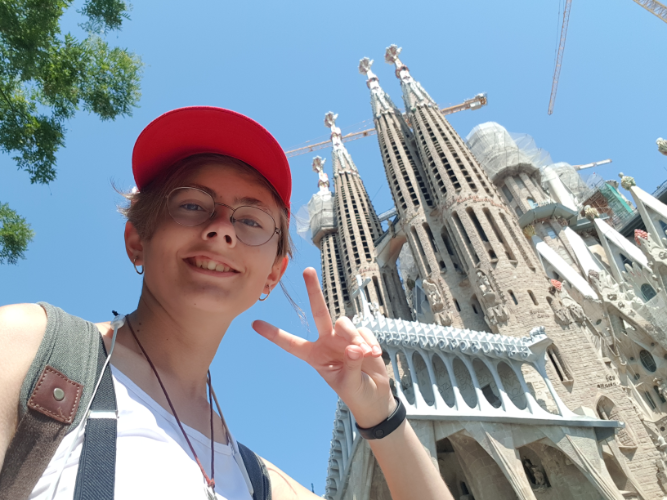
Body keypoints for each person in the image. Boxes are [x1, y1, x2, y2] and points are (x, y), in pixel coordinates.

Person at [0, 107, 452, 499]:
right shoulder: (33, 352)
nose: (222, 229)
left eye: (251, 219)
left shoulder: (253, 479)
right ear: (137, 239)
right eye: (192, 205)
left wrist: (380, 416)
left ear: (272, 275)